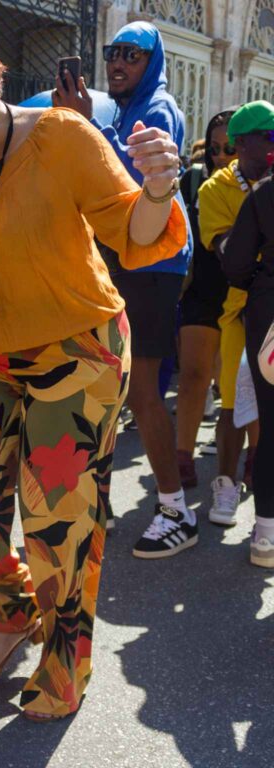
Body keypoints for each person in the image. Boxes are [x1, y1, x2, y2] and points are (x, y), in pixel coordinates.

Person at [0, 36, 186, 719]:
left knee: (59, 526)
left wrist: (161, 188)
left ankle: (63, 663)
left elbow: (134, 230)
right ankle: (13, 615)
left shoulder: (62, 136)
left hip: (80, 351)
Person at [55, 21, 194, 558]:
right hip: (125, 258)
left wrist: (89, 127)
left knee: (141, 389)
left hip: (155, 264)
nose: (118, 63)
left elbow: (139, 183)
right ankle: (100, 503)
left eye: (132, 55)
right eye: (113, 52)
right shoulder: (126, 109)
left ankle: (176, 511)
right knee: (106, 384)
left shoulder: (157, 109)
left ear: (152, 62)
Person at [197, 101, 273, 525]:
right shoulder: (215, 190)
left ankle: (262, 489)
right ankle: (225, 485)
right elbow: (226, 251)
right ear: (243, 143)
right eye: (271, 137)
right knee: (232, 404)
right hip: (239, 313)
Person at [222, 111, 274, 567]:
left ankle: (265, 535)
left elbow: (235, 264)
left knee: (271, 425)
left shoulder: (264, 196)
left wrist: (263, 278)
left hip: (269, 317)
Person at [173, 111, 235, 488]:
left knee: (234, 384)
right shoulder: (194, 179)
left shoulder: (262, 186)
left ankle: (242, 463)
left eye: (229, 147)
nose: (221, 156)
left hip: (246, 295)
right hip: (201, 289)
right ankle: (183, 458)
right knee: (194, 375)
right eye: (214, 148)